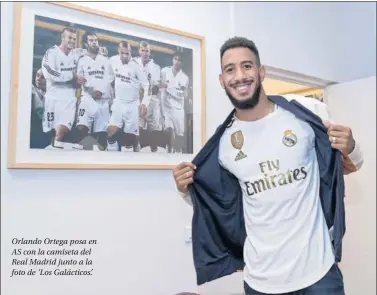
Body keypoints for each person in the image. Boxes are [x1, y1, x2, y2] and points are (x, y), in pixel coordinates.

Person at [172, 37, 364, 295]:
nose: (239, 76)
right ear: (222, 80)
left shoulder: (306, 113)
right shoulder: (224, 145)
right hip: (261, 283)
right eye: (230, 69)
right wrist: (184, 188)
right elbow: (217, 203)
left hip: (319, 276)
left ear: (261, 72)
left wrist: (351, 146)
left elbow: (351, 164)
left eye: (247, 66)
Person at [41, 27, 82, 147]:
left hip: (69, 99)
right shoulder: (51, 52)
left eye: (74, 39)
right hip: (52, 98)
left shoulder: (77, 54)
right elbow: (48, 72)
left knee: (61, 132)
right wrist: (71, 76)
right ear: (63, 38)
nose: (72, 41)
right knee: (52, 135)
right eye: (69, 38)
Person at [107, 41, 150, 152]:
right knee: (111, 132)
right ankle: (111, 160)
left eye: (128, 53)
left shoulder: (136, 66)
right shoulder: (112, 61)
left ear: (130, 52)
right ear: (118, 51)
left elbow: (147, 86)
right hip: (118, 103)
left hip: (132, 105)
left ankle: (132, 153)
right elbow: (109, 79)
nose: (125, 56)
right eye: (123, 53)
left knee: (128, 139)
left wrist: (145, 103)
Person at [74, 31, 114, 150]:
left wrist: (100, 91)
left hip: (102, 100)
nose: (94, 43)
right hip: (87, 98)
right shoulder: (82, 60)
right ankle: (85, 155)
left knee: (102, 135)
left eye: (96, 40)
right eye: (91, 40)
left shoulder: (105, 60)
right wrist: (91, 90)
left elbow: (110, 78)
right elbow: (80, 79)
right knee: (82, 129)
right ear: (86, 44)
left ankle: (99, 160)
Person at [161, 53, 189, 153]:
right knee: (168, 130)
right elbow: (160, 87)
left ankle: (178, 152)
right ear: (172, 60)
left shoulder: (184, 78)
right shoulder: (164, 71)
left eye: (179, 60)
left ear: (182, 62)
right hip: (166, 107)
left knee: (179, 135)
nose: (177, 62)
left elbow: (181, 94)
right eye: (175, 59)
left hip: (178, 109)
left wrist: (167, 86)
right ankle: (169, 150)